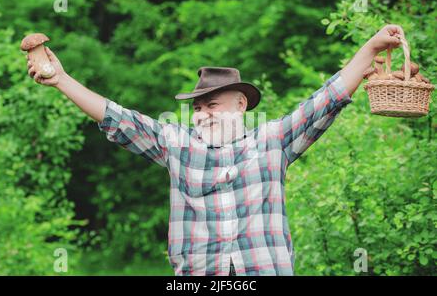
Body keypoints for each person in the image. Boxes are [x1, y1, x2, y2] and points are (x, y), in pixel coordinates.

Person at [27, 24, 405, 276]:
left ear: (241, 105)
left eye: (212, 105)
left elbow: (328, 98)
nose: (202, 114)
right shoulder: (177, 146)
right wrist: (61, 80)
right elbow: (117, 117)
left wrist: (371, 47)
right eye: (197, 107)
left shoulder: (271, 141)